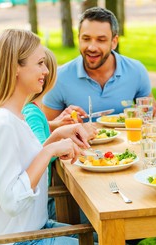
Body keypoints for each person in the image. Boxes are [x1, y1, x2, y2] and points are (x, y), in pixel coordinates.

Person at [0, 29, 138, 245]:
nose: (47, 70)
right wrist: (50, 149)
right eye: (40, 63)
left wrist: (58, 134)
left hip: (34, 231)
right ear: (15, 67)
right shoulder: (3, 123)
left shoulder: (16, 116)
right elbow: (12, 201)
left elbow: (25, 164)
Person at [42, 6, 156, 122]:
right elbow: (44, 132)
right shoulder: (59, 78)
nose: (92, 47)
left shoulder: (136, 71)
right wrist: (60, 121)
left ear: (114, 42)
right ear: (79, 39)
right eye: (86, 38)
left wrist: (150, 115)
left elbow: (153, 114)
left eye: (101, 40)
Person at [22, 47, 97, 220]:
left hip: (41, 199)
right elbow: (41, 153)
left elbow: (34, 135)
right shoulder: (31, 112)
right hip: (45, 204)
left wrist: (56, 124)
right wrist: (62, 139)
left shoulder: (32, 109)